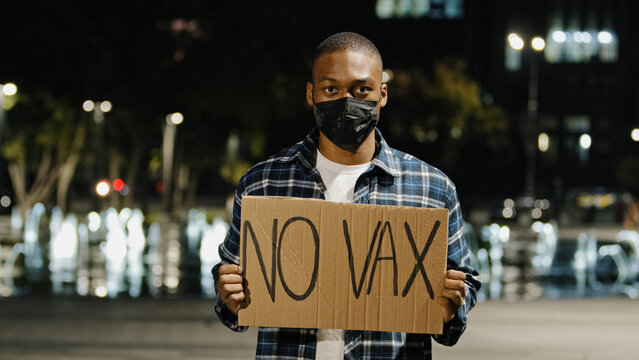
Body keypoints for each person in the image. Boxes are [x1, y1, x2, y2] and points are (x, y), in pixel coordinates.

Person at [213, 31, 480, 359]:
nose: (346, 101)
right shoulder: (263, 183)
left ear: (382, 94)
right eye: (331, 89)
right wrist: (229, 295)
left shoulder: (433, 189)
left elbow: (464, 283)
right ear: (311, 94)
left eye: (361, 89)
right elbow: (232, 283)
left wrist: (451, 306)